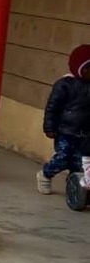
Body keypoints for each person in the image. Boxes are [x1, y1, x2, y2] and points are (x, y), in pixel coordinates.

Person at [37, 44, 90, 195]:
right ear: (80, 68)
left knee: (80, 163)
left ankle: (75, 187)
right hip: (65, 131)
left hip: (85, 133)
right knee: (63, 157)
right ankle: (46, 174)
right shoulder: (64, 85)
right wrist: (49, 127)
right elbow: (52, 107)